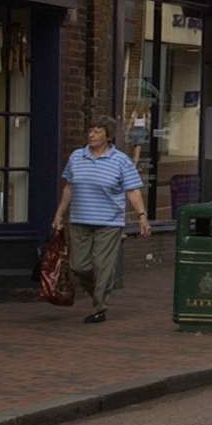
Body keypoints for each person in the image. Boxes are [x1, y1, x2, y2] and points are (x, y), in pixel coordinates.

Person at [52, 117, 149, 324]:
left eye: (97, 131)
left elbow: (132, 190)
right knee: (79, 266)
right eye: (90, 131)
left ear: (108, 135)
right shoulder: (77, 157)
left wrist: (142, 216)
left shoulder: (120, 160)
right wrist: (60, 214)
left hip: (109, 222)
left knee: (102, 265)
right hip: (79, 220)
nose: (92, 135)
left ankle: (99, 307)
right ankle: (99, 290)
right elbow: (69, 187)